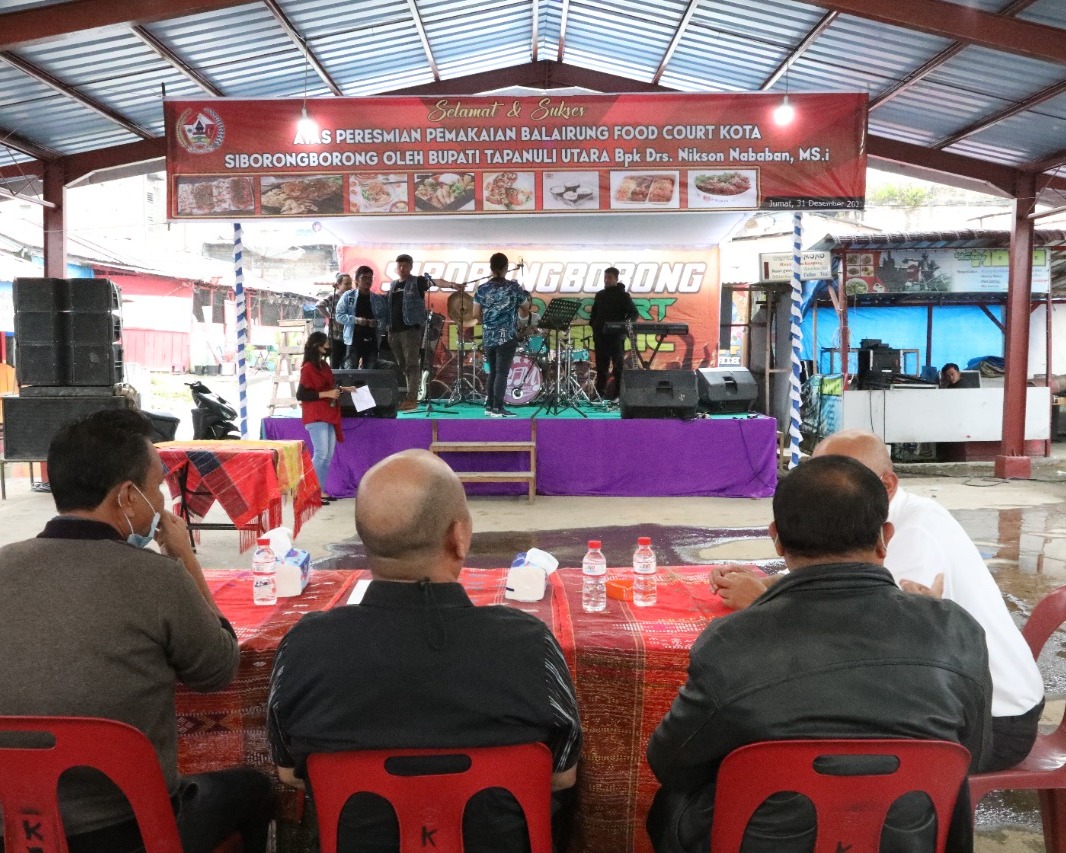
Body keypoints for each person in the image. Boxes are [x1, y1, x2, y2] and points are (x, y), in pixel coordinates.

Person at [647, 454, 992, 853]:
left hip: (763, 842)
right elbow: (973, 755)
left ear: (776, 537)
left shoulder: (731, 641)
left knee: (672, 803)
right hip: (907, 840)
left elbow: (669, 762)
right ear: (885, 537)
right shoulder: (957, 629)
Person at [267, 449, 582, 851]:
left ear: (365, 538)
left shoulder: (304, 648)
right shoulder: (530, 645)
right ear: (459, 536)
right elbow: (562, 776)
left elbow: (290, 772)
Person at [0, 409, 270, 853]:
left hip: (16, 828)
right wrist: (185, 556)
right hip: (131, 830)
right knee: (253, 788)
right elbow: (219, 668)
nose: (161, 499)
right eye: (158, 485)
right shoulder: (157, 578)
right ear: (127, 496)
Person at [713, 429, 1044, 772]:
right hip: (946, 707)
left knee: (789, 737)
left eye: (844, 476)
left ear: (887, 485)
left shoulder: (915, 532)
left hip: (991, 723)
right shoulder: (878, 517)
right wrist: (771, 583)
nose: (826, 488)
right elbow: (843, 585)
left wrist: (766, 601)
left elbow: (867, 638)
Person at [386, 253, 463, 411]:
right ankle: (410, 394)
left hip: (410, 330)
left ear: (411, 267)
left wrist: (452, 285)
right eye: (400, 265)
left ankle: (411, 399)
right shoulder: (393, 285)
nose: (402, 268)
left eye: (406, 265)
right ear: (396, 268)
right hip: (393, 332)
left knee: (412, 365)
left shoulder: (417, 282)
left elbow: (436, 281)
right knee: (403, 365)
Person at [295, 330, 354, 503]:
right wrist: (327, 394)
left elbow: (329, 387)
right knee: (321, 454)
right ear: (318, 347)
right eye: (326, 343)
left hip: (328, 413)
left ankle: (318, 489)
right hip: (316, 415)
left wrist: (342, 390)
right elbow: (302, 394)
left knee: (327, 455)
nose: (329, 346)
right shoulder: (307, 369)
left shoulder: (325, 367)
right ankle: (308, 489)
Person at [473, 252, 532, 417]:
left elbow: (475, 313)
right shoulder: (513, 288)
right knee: (502, 372)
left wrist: (487, 323)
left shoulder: (482, 289)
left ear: (491, 268)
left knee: (493, 371)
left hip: (488, 336)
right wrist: (521, 316)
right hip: (507, 336)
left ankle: (490, 405)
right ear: (506, 268)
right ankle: (498, 408)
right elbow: (526, 307)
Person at [589, 266, 638, 401]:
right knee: (601, 367)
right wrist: (594, 325)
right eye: (605, 277)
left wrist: (624, 325)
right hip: (600, 336)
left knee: (618, 367)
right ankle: (600, 394)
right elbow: (594, 313)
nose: (606, 280)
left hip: (616, 337)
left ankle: (618, 395)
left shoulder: (623, 296)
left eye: (609, 278)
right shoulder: (600, 295)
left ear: (616, 279)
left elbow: (634, 313)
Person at [335, 265, 388, 369]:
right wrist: (356, 320)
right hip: (353, 340)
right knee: (350, 370)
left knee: (370, 371)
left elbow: (385, 319)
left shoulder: (378, 299)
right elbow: (339, 316)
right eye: (364, 277)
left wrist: (377, 322)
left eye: (370, 278)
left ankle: (367, 386)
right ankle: (349, 386)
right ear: (357, 280)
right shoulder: (348, 296)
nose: (367, 281)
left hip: (372, 340)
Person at [317, 272, 352, 370]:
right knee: (335, 362)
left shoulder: (352, 297)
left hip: (349, 336)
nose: (349, 286)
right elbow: (319, 305)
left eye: (350, 283)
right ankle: (335, 383)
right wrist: (330, 317)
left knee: (348, 363)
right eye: (346, 284)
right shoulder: (333, 296)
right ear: (338, 285)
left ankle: (345, 384)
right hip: (336, 335)